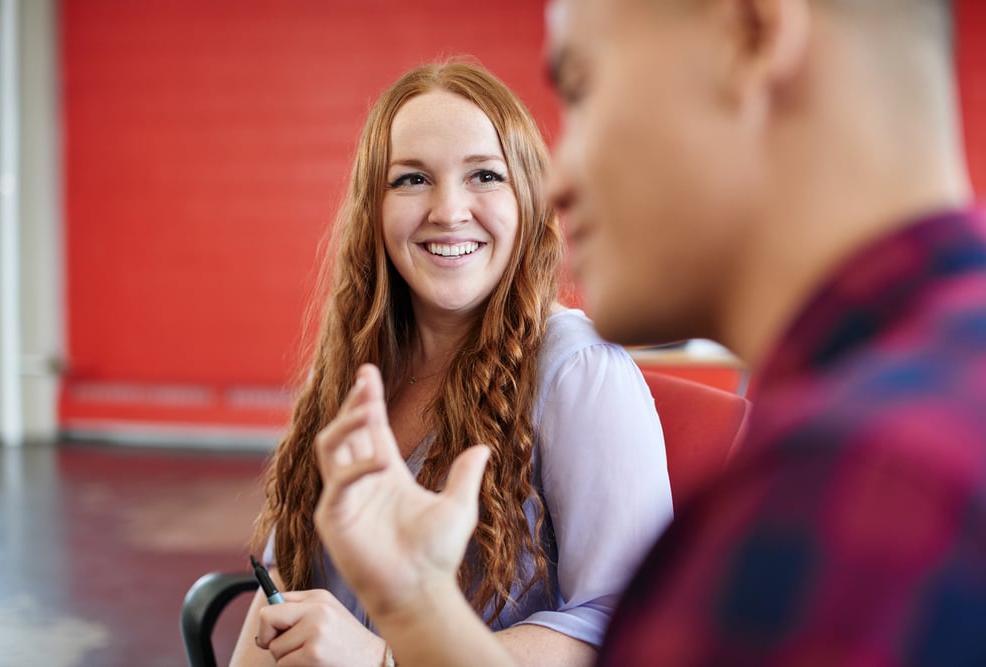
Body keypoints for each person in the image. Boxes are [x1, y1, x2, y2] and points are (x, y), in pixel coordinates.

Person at [309, 0, 986, 665]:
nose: (557, 184)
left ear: (751, 35)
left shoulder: (855, 490)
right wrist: (416, 608)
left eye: (582, 88)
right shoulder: (927, 404)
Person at [231, 60, 674, 667]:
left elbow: (628, 626)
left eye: (484, 175)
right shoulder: (349, 371)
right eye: (411, 180)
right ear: (373, 210)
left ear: (525, 197)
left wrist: (385, 659)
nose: (448, 210)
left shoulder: (579, 370)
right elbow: (286, 584)